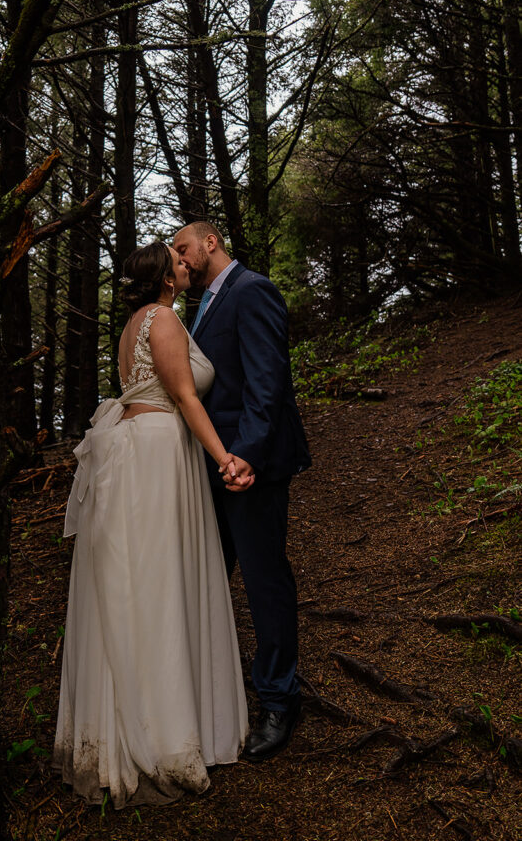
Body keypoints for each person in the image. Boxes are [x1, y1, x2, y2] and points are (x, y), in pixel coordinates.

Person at [53, 241, 249, 809]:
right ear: (166, 278)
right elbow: (186, 398)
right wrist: (224, 458)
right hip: (160, 452)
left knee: (142, 586)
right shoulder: (161, 319)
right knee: (158, 586)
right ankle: (163, 735)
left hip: (146, 450)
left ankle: (147, 717)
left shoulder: (136, 321)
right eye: (178, 261)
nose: (186, 264)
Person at [172, 221, 310, 763]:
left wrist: (246, 453)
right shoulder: (199, 307)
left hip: (252, 465)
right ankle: (213, 690)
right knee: (209, 575)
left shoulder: (252, 289)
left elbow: (267, 379)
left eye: (183, 248)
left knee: (263, 578)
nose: (179, 259)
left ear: (211, 242)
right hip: (216, 465)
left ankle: (280, 699)